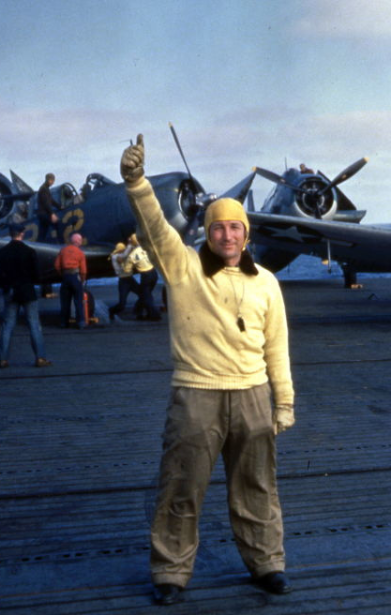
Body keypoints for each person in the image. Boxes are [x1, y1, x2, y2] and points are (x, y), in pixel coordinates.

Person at [121, 134, 295, 606]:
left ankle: (266, 564)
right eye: (218, 228)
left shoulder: (267, 283)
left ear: (246, 233)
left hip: (254, 396)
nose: (227, 236)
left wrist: (284, 402)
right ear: (208, 232)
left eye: (235, 228)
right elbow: (156, 228)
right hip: (196, 396)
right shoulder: (183, 268)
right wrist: (136, 183)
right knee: (181, 486)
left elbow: (276, 347)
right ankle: (170, 571)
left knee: (257, 487)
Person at [0, 224, 51, 368]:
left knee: (8, 326)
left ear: (11, 234)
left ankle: (3, 359)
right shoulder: (30, 251)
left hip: (11, 291)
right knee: (34, 325)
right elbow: (37, 275)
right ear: (22, 234)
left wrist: (6, 286)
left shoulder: (2, 252)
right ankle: (40, 358)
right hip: (27, 291)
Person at [54, 232, 87, 329]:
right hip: (75, 277)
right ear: (77, 241)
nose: (81, 242)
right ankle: (80, 322)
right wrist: (82, 280)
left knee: (65, 302)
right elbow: (84, 271)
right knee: (78, 301)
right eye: (80, 240)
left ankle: (64, 322)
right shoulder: (80, 253)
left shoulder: (63, 250)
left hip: (66, 277)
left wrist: (63, 275)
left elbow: (56, 266)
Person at [128, 233, 161, 321]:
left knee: (146, 296)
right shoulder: (147, 249)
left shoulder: (132, 254)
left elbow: (127, 269)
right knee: (146, 294)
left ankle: (154, 315)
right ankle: (140, 311)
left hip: (145, 276)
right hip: (154, 273)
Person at [108, 241, 141, 319]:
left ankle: (137, 311)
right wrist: (130, 245)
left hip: (130, 279)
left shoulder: (124, 255)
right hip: (123, 281)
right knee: (122, 304)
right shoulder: (115, 257)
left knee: (143, 295)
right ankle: (111, 310)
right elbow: (123, 257)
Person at [37, 173, 65, 243]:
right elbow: (46, 203)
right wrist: (52, 214)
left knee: (42, 233)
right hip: (44, 214)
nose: (53, 182)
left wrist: (59, 207)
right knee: (59, 224)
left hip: (41, 214)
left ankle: (39, 246)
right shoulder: (44, 189)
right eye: (53, 180)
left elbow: (51, 200)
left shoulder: (45, 188)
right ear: (50, 180)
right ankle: (61, 244)